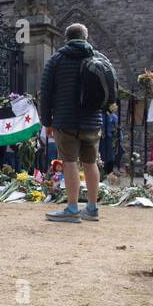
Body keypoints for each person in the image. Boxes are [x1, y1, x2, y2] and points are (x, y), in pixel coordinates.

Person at [40, 23, 105, 222]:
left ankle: (72, 208)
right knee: (90, 162)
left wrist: (46, 121)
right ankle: (92, 208)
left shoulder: (56, 60)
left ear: (66, 38)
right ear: (85, 37)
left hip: (65, 119)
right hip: (92, 120)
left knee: (69, 163)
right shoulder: (98, 57)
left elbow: (46, 93)